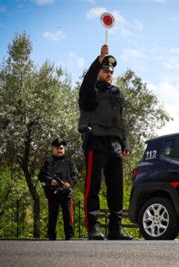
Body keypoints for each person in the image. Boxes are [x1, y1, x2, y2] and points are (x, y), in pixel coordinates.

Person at [78, 44, 133, 240]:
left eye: (111, 71)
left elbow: (120, 119)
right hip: (96, 142)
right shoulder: (90, 92)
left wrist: (125, 142)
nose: (109, 73)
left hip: (115, 145)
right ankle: (92, 227)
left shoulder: (116, 93)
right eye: (105, 69)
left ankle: (115, 229)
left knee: (116, 187)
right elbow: (86, 85)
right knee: (93, 186)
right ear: (98, 71)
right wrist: (98, 60)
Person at [39, 138, 79, 240]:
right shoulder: (48, 162)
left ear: (64, 149)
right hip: (52, 192)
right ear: (53, 149)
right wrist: (50, 181)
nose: (59, 150)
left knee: (68, 215)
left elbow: (75, 175)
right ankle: (51, 236)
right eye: (57, 148)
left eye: (61, 148)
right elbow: (41, 175)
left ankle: (69, 236)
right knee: (52, 215)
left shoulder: (69, 161)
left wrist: (69, 184)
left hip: (66, 192)